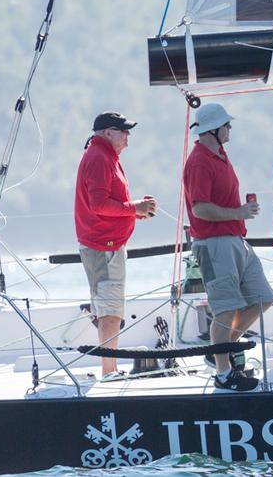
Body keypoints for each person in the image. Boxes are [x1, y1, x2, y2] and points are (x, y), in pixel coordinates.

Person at [183, 103, 273, 392]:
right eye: (227, 124)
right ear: (214, 129)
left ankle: (220, 349)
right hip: (214, 245)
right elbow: (199, 209)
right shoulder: (199, 161)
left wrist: (239, 214)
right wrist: (239, 212)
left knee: (264, 297)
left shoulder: (219, 155)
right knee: (225, 309)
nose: (230, 128)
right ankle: (223, 374)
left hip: (235, 240)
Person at [74, 111, 157, 380]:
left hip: (105, 245)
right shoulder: (99, 158)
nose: (128, 136)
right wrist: (135, 208)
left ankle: (109, 369)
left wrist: (135, 212)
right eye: (124, 131)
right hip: (103, 247)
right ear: (108, 133)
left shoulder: (103, 156)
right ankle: (109, 372)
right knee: (111, 312)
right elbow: (98, 205)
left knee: (108, 309)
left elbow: (106, 203)